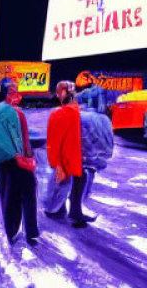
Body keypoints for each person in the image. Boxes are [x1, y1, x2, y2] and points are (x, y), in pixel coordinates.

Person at [0, 80, 38, 245]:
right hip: (16, 159)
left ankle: (11, 232)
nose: (17, 93)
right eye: (14, 90)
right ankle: (31, 233)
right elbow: (23, 139)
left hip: (0, 161)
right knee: (28, 193)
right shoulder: (16, 112)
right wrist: (27, 155)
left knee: (7, 195)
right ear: (8, 93)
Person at [45, 81, 89, 227]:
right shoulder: (78, 112)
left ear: (63, 93)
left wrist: (56, 164)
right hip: (73, 161)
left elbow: (53, 142)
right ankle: (70, 211)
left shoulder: (59, 114)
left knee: (65, 185)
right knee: (75, 181)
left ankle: (64, 210)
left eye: (58, 93)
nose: (58, 96)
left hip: (66, 161)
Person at [79, 98, 115, 222]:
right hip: (100, 153)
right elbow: (110, 137)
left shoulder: (81, 116)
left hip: (86, 152)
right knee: (91, 172)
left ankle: (79, 202)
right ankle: (85, 195)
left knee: (82, 175)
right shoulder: (105, 119)